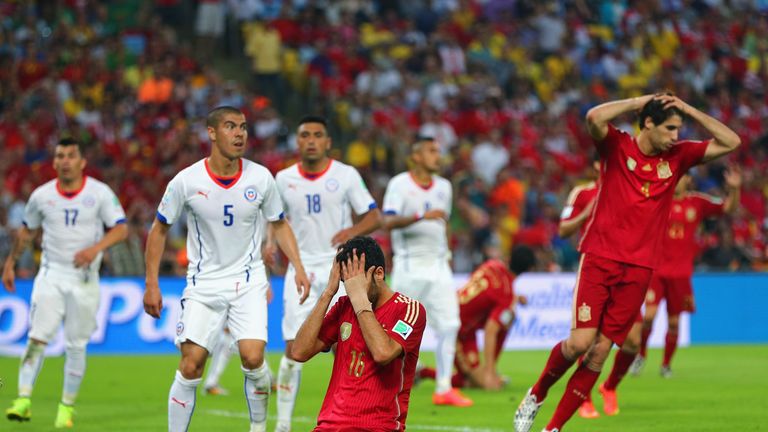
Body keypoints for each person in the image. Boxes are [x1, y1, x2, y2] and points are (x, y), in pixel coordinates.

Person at [514, 93, 742, 432]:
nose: (676, 136)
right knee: (579, 343)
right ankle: (537, 392)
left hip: (639, 268)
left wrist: (687, 109)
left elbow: (731, 141)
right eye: (669, 128)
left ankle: (553, 428)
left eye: (679, 129)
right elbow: (593, 116)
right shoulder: (617, 147)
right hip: (600, 257)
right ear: (647, 123)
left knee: (599, 353)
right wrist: (642, 100)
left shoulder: (678, 157)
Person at [142, 106, 310, 432]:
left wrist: (299, 267)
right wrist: (152, 283)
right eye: (231, 127)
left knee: (252, 357)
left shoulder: (260, 177)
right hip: (203, 284)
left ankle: (258, 427)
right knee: (191, 365)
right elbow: (159, 229)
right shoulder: (186, 181)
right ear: (212, 133)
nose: (239, 134)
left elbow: (279, 223)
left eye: (244, 127)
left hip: (247, 281)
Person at [3, 137, 128, 428]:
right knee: (37, 338)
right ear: (55, 162)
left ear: (82, 162)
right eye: (60, 156)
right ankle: (22, 400)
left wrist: (94, 250)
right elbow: (27, 231)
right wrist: (10, 262)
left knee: (76, 346)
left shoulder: (99, 193)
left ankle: (66, 408)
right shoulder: (41, 196)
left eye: (71, 155)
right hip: (51, 274)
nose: (66, 160)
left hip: (84, 280)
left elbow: (120, 229)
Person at [273, 115, 382, 431]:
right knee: (294, 348)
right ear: (298, 141)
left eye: (317, 135)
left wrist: (353, 229)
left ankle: (350, 414)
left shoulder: (346, 175)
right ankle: (282, 425)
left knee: (349, 344)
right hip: (301, 268)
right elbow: (276, 220)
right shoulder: (283, 179)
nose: (311, 140)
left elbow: (374, 215)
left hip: (342, 267)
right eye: (305, 134)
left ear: (327, 142)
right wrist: (270, 245)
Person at [291, 236, 427, 431]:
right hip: (329, 425)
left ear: (379, 273)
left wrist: (359, 299)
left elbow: (383, 353)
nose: (350, 289)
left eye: (357, 282)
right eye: (347, 282)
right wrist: (328, 293)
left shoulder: (409, 310)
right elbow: (299, 352)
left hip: (377, 427)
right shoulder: (342, 306)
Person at [382, 136, 472, 407]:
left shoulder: (444, 187)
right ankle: (389, 385)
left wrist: (448, 253)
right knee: (399, 330)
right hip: (410, 267)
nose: (438, 156)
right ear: (416, 156)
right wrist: (421, 216)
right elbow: (387, 220)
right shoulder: (399, 184)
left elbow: (443, 223)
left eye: (438, 151)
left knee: (450, 324)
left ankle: (443, 389)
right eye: (432, 151)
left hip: (439, 266)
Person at [632, 168, 741, 377]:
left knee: (674, 323)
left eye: (680, 176)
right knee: (649, 317)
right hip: (655, 270)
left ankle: (665, 365)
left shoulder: (697, 202)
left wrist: (735, 190)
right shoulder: (657, 198)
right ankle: (641, 355)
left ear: (689, 179)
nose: (675, 179)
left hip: (681, 273)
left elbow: (728, 208)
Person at [419, 245, 536, 390]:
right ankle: (421, 372)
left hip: (461, 322)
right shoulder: (506, 295)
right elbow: (490, 331)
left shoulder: (491, 265)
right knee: (480, 384)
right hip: (454, 328)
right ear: (529, 269)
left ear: (509, 257)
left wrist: (515, 298)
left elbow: (486, 292)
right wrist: (489, 374)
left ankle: (484, 373)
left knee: (508, 317)